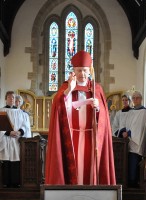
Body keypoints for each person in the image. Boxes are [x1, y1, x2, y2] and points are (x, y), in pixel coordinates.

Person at [45, 50, 116, 185]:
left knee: (89, 167)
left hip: (91, 137)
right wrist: (68, 91)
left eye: (84, 70)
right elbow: (58, 108)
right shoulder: (65, 87)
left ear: (89, 71)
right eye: (79, 71)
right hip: (71, 138)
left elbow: (104, 119)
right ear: (74, 72)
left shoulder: (97, 89)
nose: (82, 74)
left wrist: (98, 108)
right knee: (73, 168)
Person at [0, 91, 31, 187]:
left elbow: (25, 125)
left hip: (17, 140)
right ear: (6, 99)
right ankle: (5, 183)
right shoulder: (1, 111)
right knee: (6, 160)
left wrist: (19, 132)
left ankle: (16, 182)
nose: (11, 99)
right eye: (9, 97)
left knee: (16, 160)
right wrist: (9, 132)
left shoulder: (21, 112)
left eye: (13, 97)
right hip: (5, 139)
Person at [123, 91, 146, 188]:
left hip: (138, 141)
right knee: (129, 161)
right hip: (129, 141)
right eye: (133, 98)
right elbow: (127, 124)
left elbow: (139, 127)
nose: (135, 100)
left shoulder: (143, 111)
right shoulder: (131, 111)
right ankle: (129, 181)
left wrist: (129, 133)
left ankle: (134, 182)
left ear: (141, 99)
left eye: (137, 98)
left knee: (135, 161)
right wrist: (124, 131)